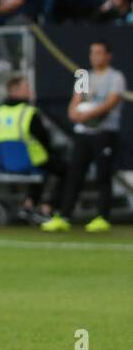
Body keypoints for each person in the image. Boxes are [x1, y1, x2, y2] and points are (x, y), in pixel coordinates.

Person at [43, 41, 127, 233]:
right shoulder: (84, 76)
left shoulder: (115, 77)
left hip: (105, 132)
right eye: (92, 53)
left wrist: (90, 114)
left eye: (99, 53)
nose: (95, 56)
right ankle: (64, 216)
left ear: (108, 56)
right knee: (74, 174)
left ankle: (102, 217)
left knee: (103, 175)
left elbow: (111, 102)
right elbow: (75, 101)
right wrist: (74, 114)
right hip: (84, 133)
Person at [0, 75, 61, 222]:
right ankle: (47, 208)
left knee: (40, 168)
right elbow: (44, 138)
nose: (29, 90)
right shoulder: (28, 112)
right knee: (65, 169)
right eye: (26, 87)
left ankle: (29, 205)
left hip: (7, 163)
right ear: (15, 90)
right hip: (32, 159)